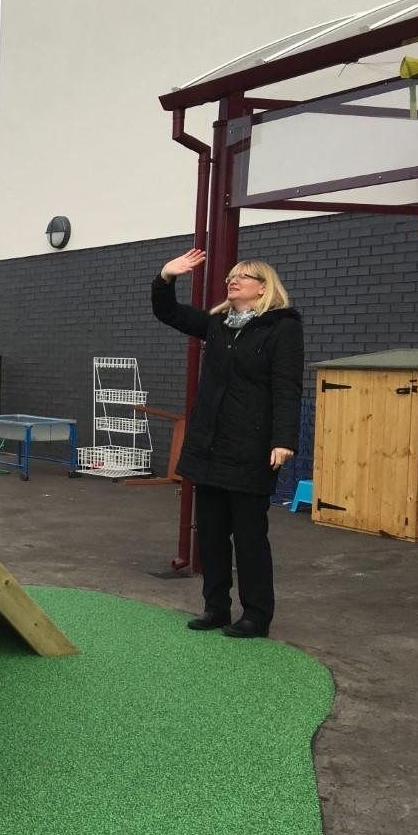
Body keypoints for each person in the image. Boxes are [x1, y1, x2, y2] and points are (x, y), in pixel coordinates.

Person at [153, 248, 304, 638]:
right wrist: (166, 277)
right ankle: (216, 607)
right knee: (213, 533)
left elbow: (287, 387)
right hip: (210, 445)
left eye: (243, 277)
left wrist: (283, 439)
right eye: (230, 277)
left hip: (250, 447)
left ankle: (256, 615)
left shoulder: (282, 328)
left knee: (250, 535)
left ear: (263, 287)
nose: (231, 281)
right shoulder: (219, 324)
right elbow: (168, 313)